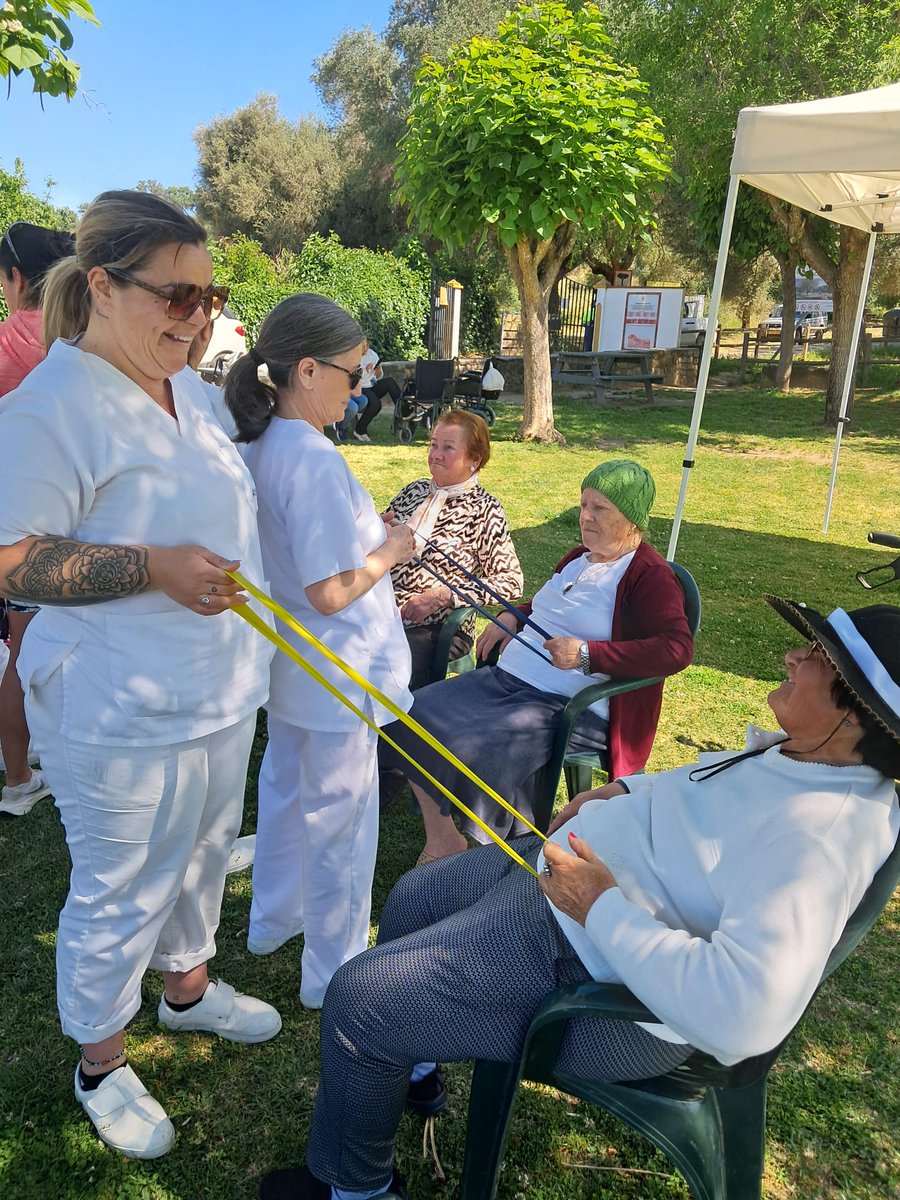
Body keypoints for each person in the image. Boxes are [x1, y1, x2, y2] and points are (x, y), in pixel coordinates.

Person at [259, 596, 900, 1200]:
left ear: (860, 710)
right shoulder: (807, 754)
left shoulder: (820, 836)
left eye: (816, 655)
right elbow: (699, 791)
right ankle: (415, 1069)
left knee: (362, 998)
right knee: (416, 898)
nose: (793, 657)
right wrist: (626, 793)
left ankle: (355, 1187)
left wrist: (600, 907)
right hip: (567, 894)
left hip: (596, 973)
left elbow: (747, 1016)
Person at [0, 190, 281, 1161]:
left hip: (218, 688)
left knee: (204, 854)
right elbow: (11, 562)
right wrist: (150, 566)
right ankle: (101, 1063)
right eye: (176, 295)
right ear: (106, 287)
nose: (197, 316)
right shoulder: (51, 406)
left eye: (210, 295)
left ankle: (188, 991)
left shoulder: (191, 391)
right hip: (116, 706)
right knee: (121, 884)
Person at [223, 293, 416, 1009]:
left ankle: (275, 921)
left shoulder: (261, 438)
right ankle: (332, 969)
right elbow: (331, 590)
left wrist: (370, 538)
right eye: (354, 370)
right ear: (307, 370)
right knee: (340, 822)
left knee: (283, 795)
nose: (361, 385)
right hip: (335, 667)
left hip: (296, 665)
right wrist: (390, 550)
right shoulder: (309, 455)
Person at [381, 459, 693, 863]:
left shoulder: (648, 575)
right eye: (583, 505)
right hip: (506, 679)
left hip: (562, 705)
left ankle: (492, 852)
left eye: (600, 509)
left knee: (476, 746)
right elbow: (557, 603)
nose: (585, 516)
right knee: (409, 712)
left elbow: (676, 649)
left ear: (631, 519)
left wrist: (586, 655)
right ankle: (442, 837)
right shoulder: (579, 557)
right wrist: (516, 612)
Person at [0, 220, 76, 817]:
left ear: (16, 278)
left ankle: (20, 775)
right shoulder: (75, 344)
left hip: (19, 524)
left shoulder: (6, 343)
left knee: (24, 651)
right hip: (75, 519)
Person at [385, 409, 523, 690]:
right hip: (380, 606)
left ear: (475, 459)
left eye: (448, 448)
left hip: (434, 625)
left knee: (385, 670)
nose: (436, 454)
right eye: (433, 444)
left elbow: (511, 582)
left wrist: (442, 596)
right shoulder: (414, 490)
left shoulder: (485, 510)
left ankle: (391, 731)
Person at [351, 347, 402, 442]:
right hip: (360, 387)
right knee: (376, 404)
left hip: (372, 384)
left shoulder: (372, 354)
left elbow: (379, 376)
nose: (365, 348)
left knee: (389, 382)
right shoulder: (352, 355)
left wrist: (378, 373)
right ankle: (360, 430)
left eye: (366, 345)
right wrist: (366, 370)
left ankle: (403, 411)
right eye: (362, 346)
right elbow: (353, 378)